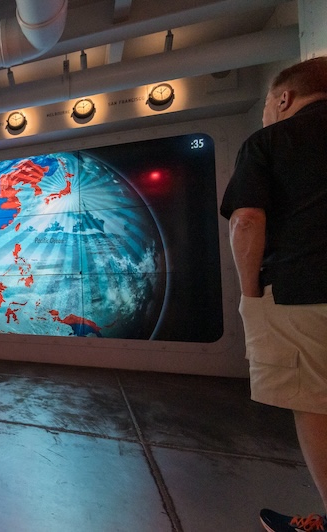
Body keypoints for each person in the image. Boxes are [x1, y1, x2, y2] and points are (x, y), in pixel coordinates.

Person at [220, 56, 327, 532]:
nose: (266, 112)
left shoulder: (270, 141)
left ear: (284, 98)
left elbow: (246, 219)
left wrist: (251, 295)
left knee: (315, 402)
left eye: (268, 103)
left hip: (304, 292)